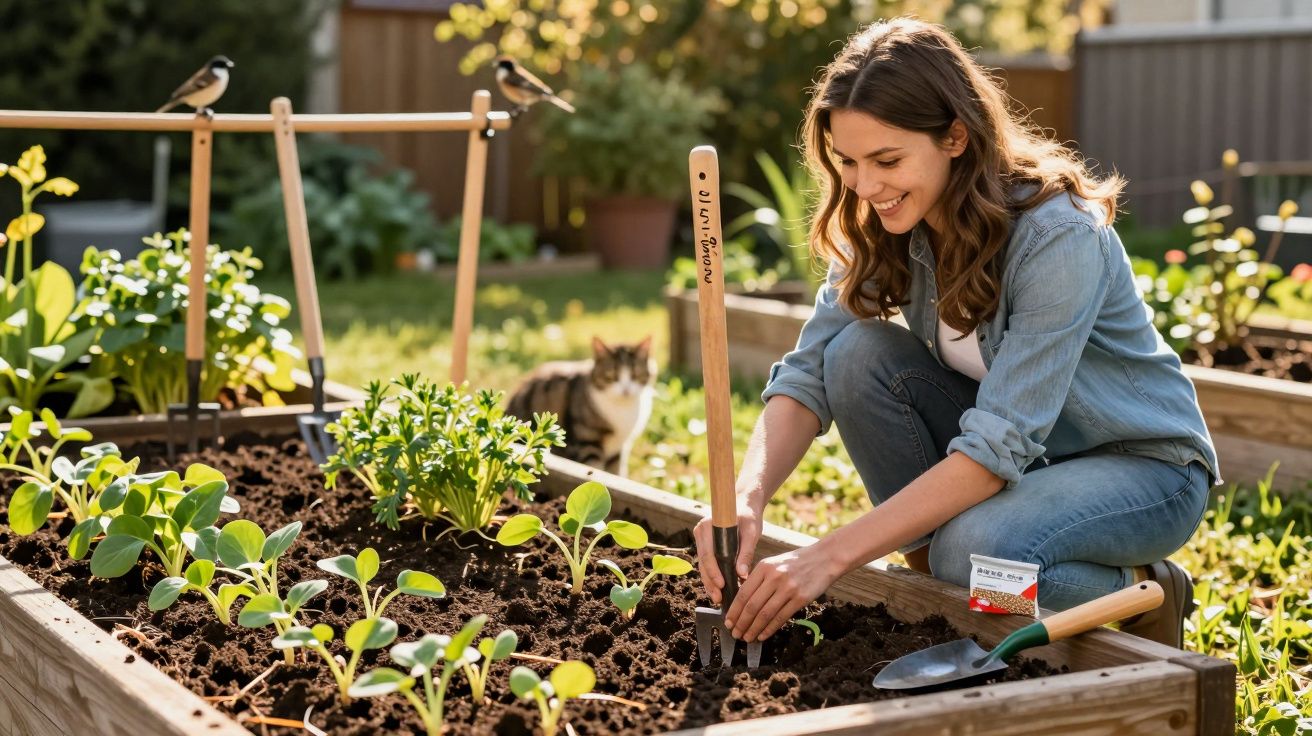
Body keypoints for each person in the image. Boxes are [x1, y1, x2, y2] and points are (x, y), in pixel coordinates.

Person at [693, 17, 1217, 650]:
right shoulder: (881, 219)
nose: (865, 186)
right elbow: (807, 373)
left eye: (887, 160)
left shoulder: (1059, 237)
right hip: (1027, 462)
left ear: (956, 138)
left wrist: (826, 559)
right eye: (850, 162)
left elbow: (999, 444)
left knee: (973, 555)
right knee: (854, 354)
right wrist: (746, 498)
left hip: (1138, 467)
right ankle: (951, 584)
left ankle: (1143, 589)